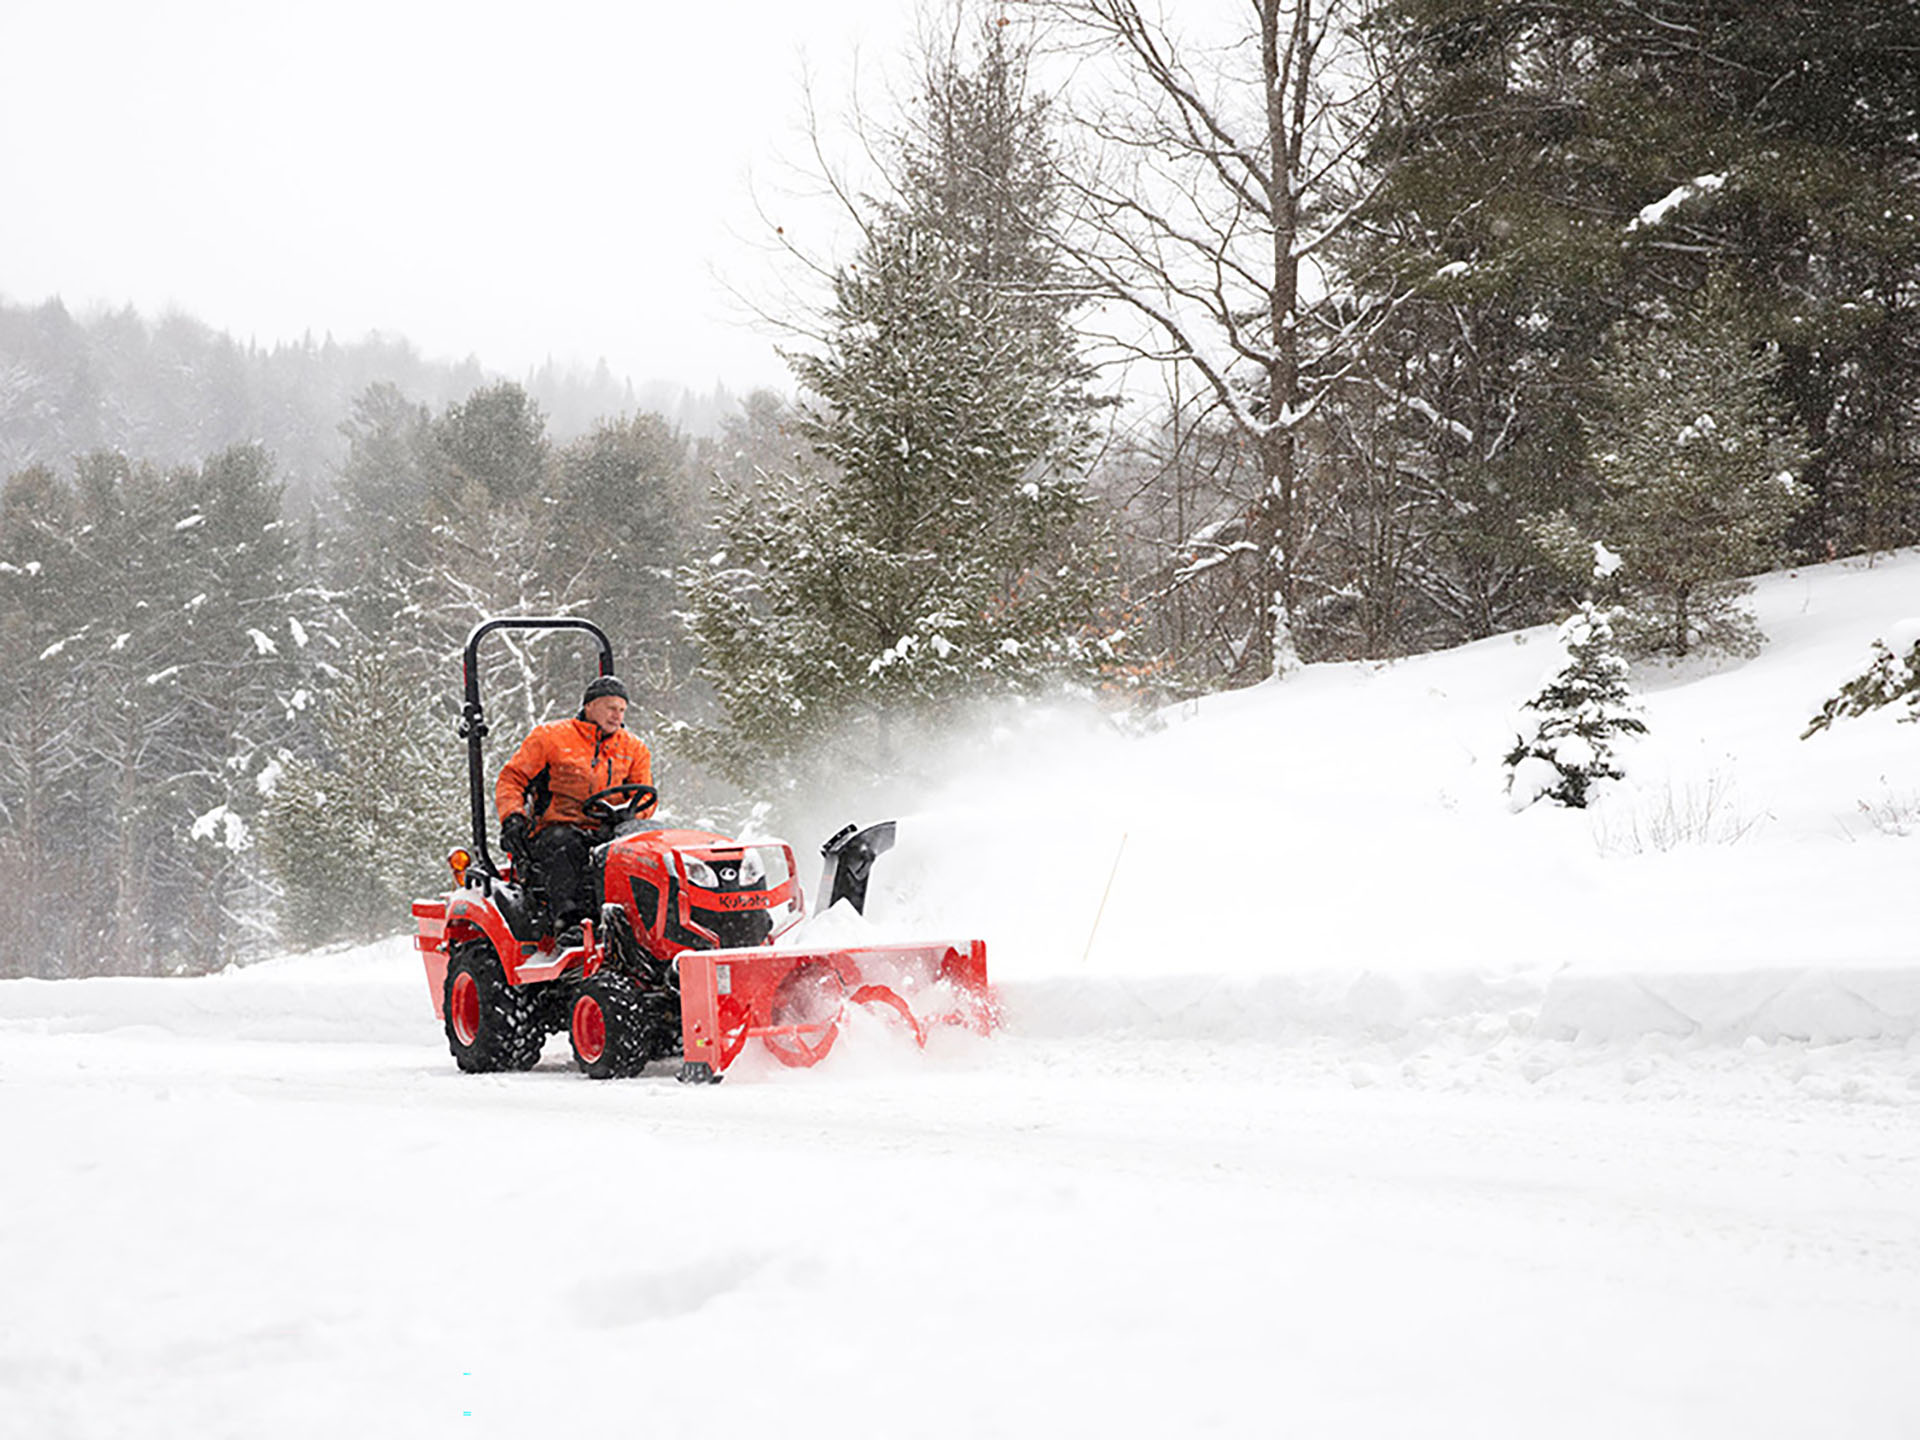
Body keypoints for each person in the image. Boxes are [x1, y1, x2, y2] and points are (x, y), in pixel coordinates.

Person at [495, 675, 654, 946]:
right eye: (611, 708)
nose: (617, 716)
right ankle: (571, 925)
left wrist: (630, 817)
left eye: (622, 710)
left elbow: (643, 798)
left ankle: (650, 924)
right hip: (557, 828)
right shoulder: (551, 738)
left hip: (611, 829)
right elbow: (513, 779)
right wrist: (512, 816)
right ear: (590, 706)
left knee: (649, 848)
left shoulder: (633, 748)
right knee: (566, 845)